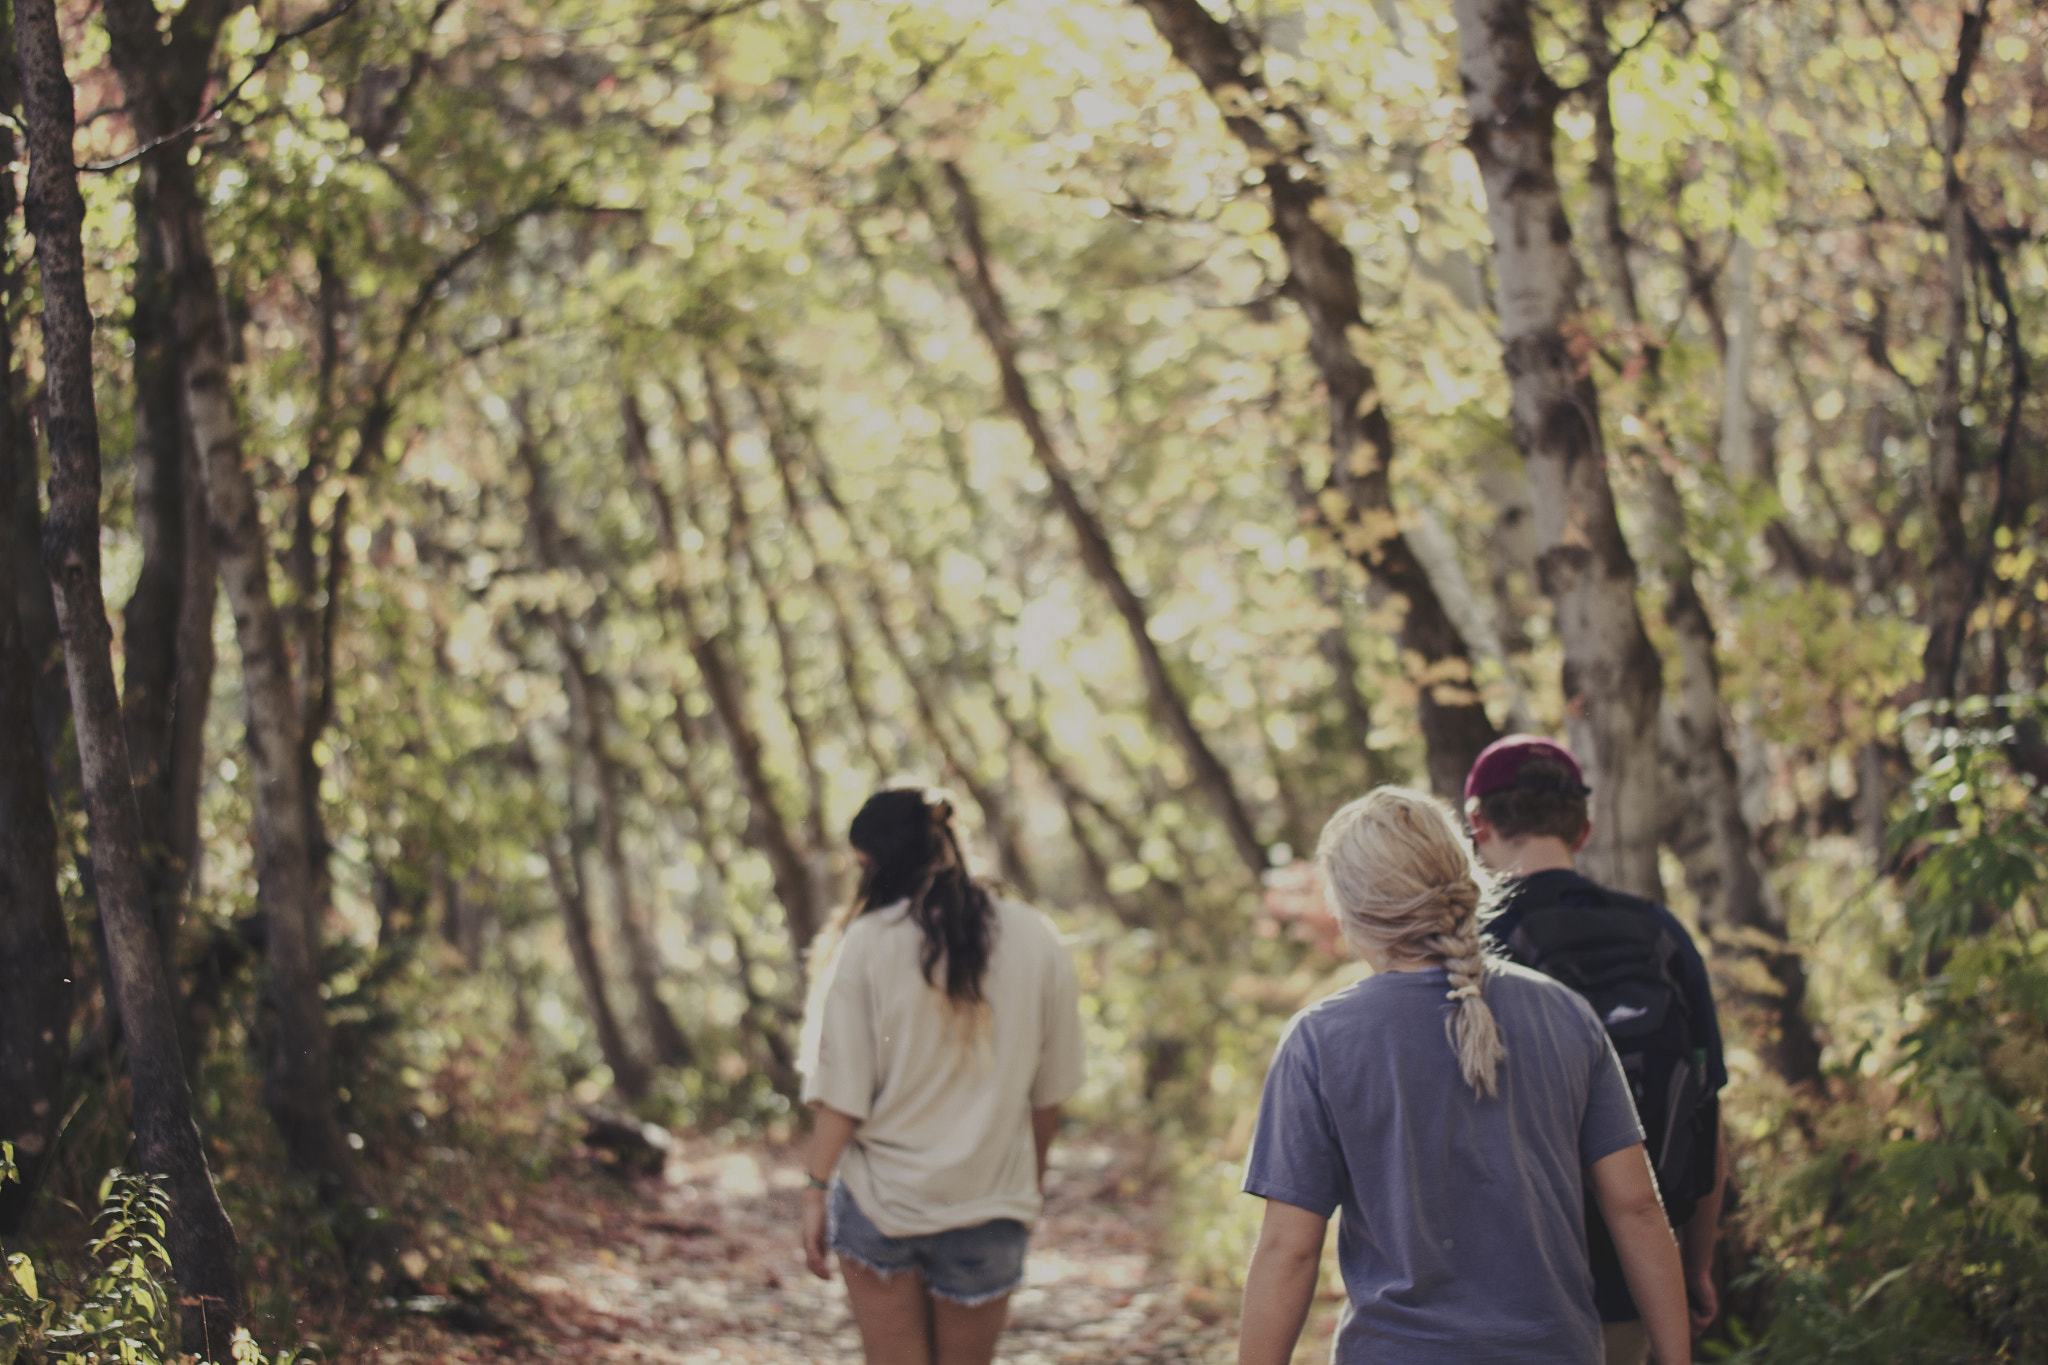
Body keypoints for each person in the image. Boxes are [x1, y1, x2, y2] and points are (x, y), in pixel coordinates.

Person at [1240, 787, 1692, 1365]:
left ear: (1350, 909)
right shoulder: (1566, 1014)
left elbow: (1289, 1251)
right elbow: (1636, 1209)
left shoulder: (1320, 1040)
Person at [1464, 736, 1729, 1365]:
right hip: (1632, 1284)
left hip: (1506, 1297)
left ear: (1478, 825)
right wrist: (1693, 1268)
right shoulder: (1659, 933)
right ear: (1583, 829)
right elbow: (1707, 1115)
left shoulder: (1470, 948)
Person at [798, 787, 1086, 1365]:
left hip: (882, 1202)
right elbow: (1049, 1096)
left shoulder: (868, 942)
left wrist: (814, 1190)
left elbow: (843, 1097)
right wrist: (1024, 1186)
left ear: (876, 861)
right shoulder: (1036, 937)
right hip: (988, 1205)